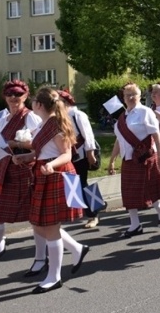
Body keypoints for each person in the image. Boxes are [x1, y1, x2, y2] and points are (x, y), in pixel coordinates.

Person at [10, 87, 89, 294]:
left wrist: (52, 165)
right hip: (44, 174)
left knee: (50, 227)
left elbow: (66, 155)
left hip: (55, 176)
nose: (32, 104)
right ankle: (76, 249)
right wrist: (26, 157)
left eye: (34, 101)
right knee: (39, 225)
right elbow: (41, 152)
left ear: (39, 105)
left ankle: (54, 276)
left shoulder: (56, 125)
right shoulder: (45, 123)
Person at [0, 80, 42, 281]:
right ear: (4, 97)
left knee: (36, 220)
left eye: (18, 94)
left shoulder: (31, 118)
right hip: (5, 172)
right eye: (10, 94)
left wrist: (16, 143)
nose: (14, 98)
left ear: (25, 96)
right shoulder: (3, 120)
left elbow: (41, 146)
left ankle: (41, 258)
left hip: (26, 173)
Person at [107, 83, 160, 237]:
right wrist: (112, 160)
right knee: (129, 193)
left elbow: (156, 135)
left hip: (145, 158)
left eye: (134, 94)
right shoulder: (122, 117)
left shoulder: (145, 112)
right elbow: (119, 140)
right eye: (128, 95)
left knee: (148, 189)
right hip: (128, 160)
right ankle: (135, 225)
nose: (131, 97)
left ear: (140, 96)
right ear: (123, 98)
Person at [58, 90, 101, 229]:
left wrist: (90, 153)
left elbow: (88, 135)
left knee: (82, 184)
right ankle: (81, 211)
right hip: (67, 155)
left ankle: (93, 214)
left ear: (65, 102)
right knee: (72, 184)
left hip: (81, 155)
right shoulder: (59, 116)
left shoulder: (78, 115)